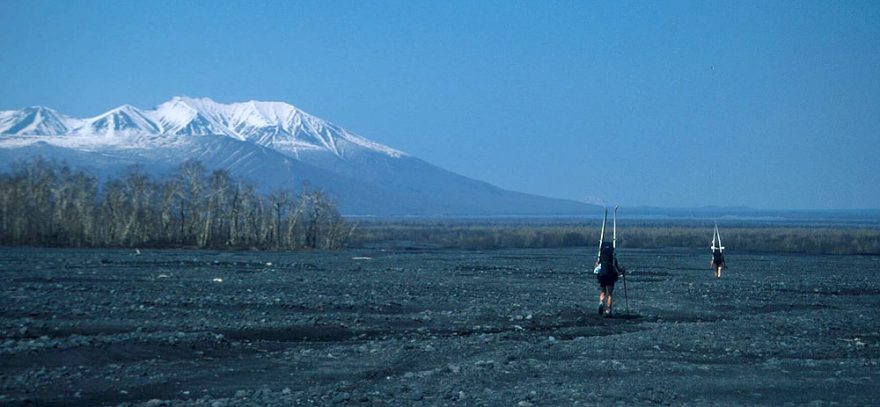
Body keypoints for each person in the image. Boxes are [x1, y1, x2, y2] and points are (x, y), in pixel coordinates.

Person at [595, 241, 625, 317]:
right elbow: (617, 268)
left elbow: (596, 267)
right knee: (610, 294)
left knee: (602, 292)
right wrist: (622, 271)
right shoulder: (613, 258)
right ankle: (608, 310)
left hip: (602, 276)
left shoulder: (601, 257)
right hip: (610, 276)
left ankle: (601, 302)